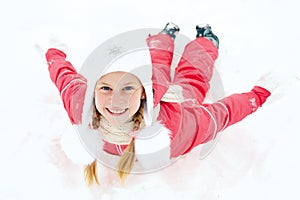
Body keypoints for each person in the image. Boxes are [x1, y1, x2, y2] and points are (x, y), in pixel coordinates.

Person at [45, 22, 271, 186]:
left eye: (127, 88)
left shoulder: (177, 124)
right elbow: (64, 76)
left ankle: (205, 40)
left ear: (144, 93)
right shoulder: (80, 105)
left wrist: (258, 95)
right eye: (105, 88)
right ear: (93, 90)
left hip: (164, 95)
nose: (115, 100)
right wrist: (53, 51)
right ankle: (164, 37)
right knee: (159, 68)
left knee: (192, 76)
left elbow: (222, 114)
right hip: (150, 86)